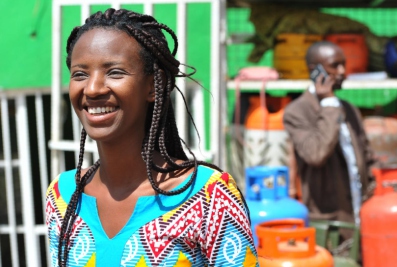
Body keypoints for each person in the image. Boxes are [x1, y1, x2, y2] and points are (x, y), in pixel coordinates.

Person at [45, 8, 258, 267]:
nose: (92, 88)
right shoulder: (63, 195)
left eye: (114, 72)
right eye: (80, 74)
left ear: (154, 87)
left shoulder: (207, 195)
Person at [283, 41, 375, 234]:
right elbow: (316, 154)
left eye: (344, 64)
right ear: (314, 71)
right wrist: (328, 105)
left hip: (360, 215)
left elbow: (367, 157)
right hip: (329, 225)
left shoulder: (349, 109)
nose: (342, 71)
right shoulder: (297, 112)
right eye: (335, 65)